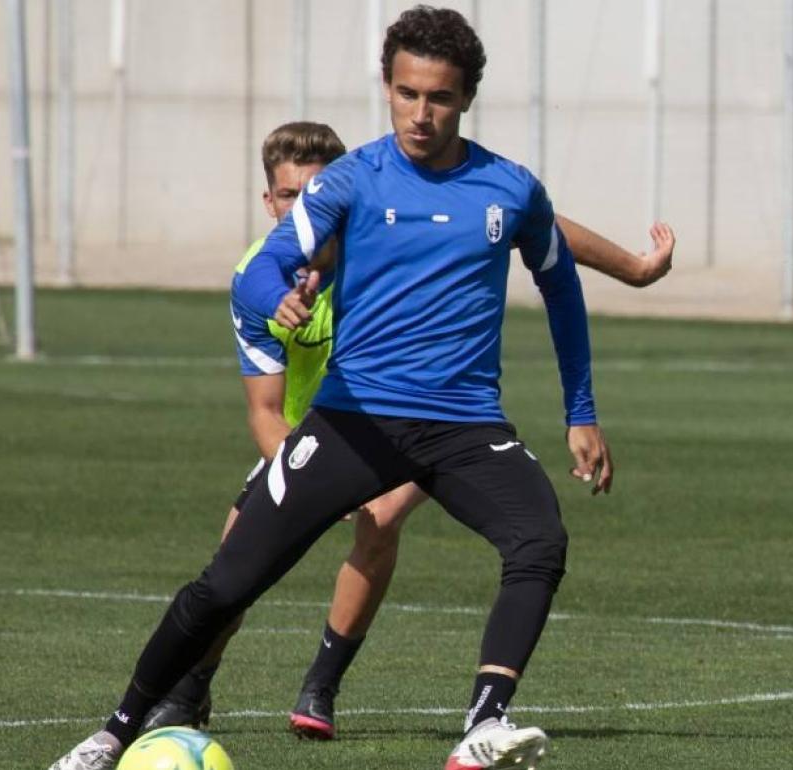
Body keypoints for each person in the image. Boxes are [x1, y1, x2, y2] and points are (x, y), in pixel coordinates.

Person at [49, 7, 640, 768]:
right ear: (387, 87)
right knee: (227, 584)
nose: (420, 113)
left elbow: (561, 289)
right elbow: (267, 263)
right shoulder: (352, 179)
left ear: (466, 98)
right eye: (405, 93)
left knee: (539, 541)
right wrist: (277, 299)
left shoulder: (511, 190)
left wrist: (581, 412)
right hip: (353, 421)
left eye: (439, 98)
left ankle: (484, 726)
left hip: (463, 427)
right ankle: (113, 733)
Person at [140, 122, 674, 742]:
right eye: (290, 197)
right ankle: (191, 688)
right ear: (273, 205)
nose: (304, 206)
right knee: (237, 554)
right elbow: (264, 411)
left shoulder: (389, 242)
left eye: (314, 191)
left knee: (383, 517)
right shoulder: (263, 280)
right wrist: (317, 476)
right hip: (315, 431)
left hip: (418, 423)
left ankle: (322, 684)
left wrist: (634, 269)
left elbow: (533, 223)